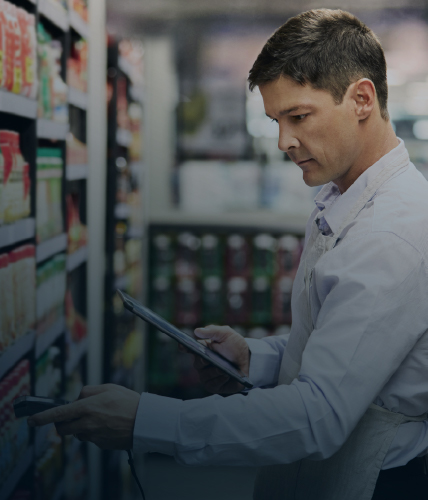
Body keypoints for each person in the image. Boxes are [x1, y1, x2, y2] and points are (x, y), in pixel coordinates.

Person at [29, 9, 428, 500]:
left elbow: (316, 414)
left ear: (362, 99)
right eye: (275, 121)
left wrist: (146, 420)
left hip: (374, 485)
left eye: (298, 117)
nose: (284, 141)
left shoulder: (392, 232)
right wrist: (253, 358)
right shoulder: (343, 197)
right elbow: (339, 344)